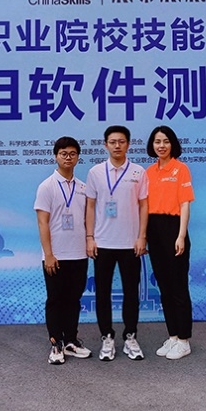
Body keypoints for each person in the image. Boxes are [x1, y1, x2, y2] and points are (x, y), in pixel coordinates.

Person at [84, 125, 149, 361]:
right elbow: (90, 206)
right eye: (112, 142)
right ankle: (107, 337)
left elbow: (144, 205)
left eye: (121, 141)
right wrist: (89, 237)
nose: (117, 146)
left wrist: (142, 236)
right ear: (105, 145)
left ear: (128, 144)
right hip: (102, 243)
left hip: (131, 244)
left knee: (132, 292)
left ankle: (130, 336)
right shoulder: (95, 172)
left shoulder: (139, 172)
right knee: (102, 292)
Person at [34, 136, 92, 365]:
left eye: (72, 154)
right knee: (55, 299)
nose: (68, 158)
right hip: (55, 255)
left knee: (74, 299)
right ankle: (55, 343)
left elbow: (88, 220)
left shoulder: (83, 188)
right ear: (56, 156)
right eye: (63, 154)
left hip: (78, 254)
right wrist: (48, 254)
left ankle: (70, 340)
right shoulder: (47, 186)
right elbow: (42, 223)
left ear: (78, 157)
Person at [145, 125, 195, 360]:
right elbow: (144, 206)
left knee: (178, 287)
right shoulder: (149, 172)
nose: (161, 145)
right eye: (157, 141)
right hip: (153, 230)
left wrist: (181, 235)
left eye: (165, 141)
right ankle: (173, 335)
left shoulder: (180, 169)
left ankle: (184, 340)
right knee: (164, 287)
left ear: (172, 144)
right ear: (152, 145)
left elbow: (185, 204)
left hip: (174, 229)